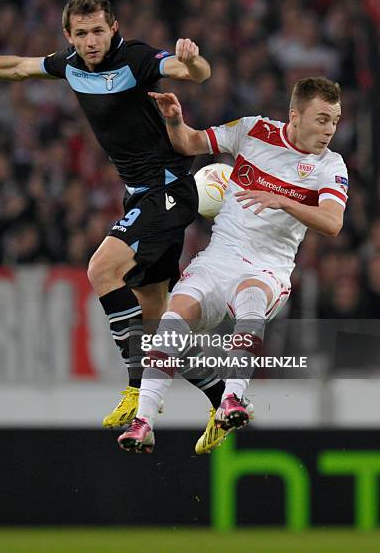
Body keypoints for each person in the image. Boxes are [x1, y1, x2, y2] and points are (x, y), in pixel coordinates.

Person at [0, 0, 215, 428]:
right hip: (139, 194)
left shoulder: (134, 59)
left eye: (98, 30)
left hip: (169, 190)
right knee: (155, 326)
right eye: (82, 33)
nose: (91, 41)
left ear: (113, 28)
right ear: (68, 36)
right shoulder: (70, 65)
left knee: (101, 269)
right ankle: (224, 396)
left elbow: (195, 73)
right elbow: (16, 67)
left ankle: (136, 391)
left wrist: (192, 60)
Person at [118, 76, 348, 454]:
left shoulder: (330, 165)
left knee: (251, 300)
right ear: (295, 116)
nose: (330, 130)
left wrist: (283, 201)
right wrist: (175, 120)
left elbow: (333, 222)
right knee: (174, 317)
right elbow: (189, 142)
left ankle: (232, 399)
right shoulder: (252, 130)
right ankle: (144, 421)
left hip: (267, 268)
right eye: (322, 119)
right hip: (220, 256)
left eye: (335, 121)